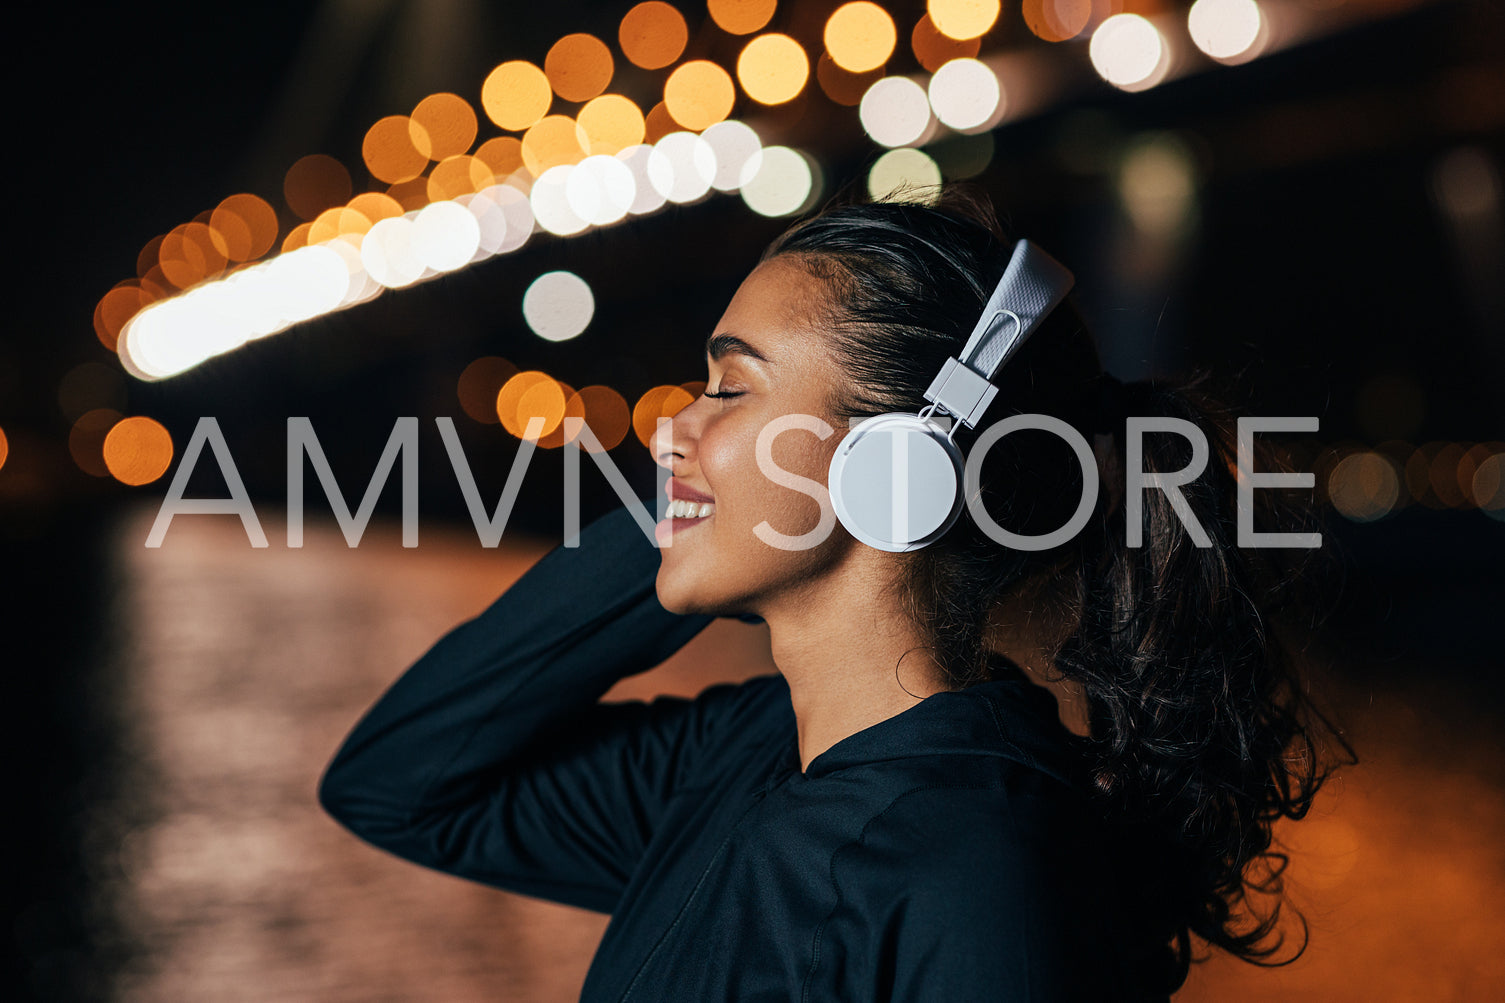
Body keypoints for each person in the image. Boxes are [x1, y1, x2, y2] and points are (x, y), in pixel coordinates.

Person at [319, 190, 1342, 1000]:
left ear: (893, 465)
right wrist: (690, 509)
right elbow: (399, 784)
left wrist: (713, 499)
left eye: (729, 388)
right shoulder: (741, 760)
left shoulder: (979, 876)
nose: (666, 428)